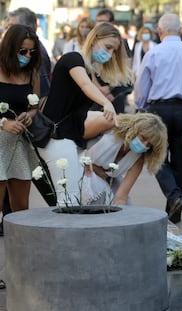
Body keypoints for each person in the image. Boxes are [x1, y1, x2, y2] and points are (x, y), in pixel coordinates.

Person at [38, 22, 126, 205]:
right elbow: (85, 86)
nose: (109, 54)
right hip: (56, 138)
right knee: (70, 200)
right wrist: (106, 102)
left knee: (79, 199)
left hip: (70, 140)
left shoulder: (88, 69)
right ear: (94, 39)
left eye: (113, 51)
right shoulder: (73, 59)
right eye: (108, 47)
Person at [134, 13, 182, 223]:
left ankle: (174, 197)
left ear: (159, 31)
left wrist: (140, 108)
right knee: (180, 158)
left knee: (156, 156)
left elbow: (141, 85)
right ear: (181, 29)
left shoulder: (154, 53)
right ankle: (175, 211)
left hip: (158, 110)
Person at [83, 112, 167, 205]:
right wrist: (93, 167)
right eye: (143, 138)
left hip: (103, 178)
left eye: (149, 144)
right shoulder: (110, 125)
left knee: (126, 206)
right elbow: (76, 139)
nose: (144, 145)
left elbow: (121, 196)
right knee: (96, 196)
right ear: (135, 129)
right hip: (78, 165)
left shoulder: (138, 159)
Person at [0, 24, 41, 211]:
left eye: (31, 52)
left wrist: (29, 115)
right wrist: (3, 123)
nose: (27, 57)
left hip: (19, 144)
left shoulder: (31, 73)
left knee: (21, 207)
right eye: (23, 51)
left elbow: (34, 107)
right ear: (10, 47)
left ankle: (18, 240)